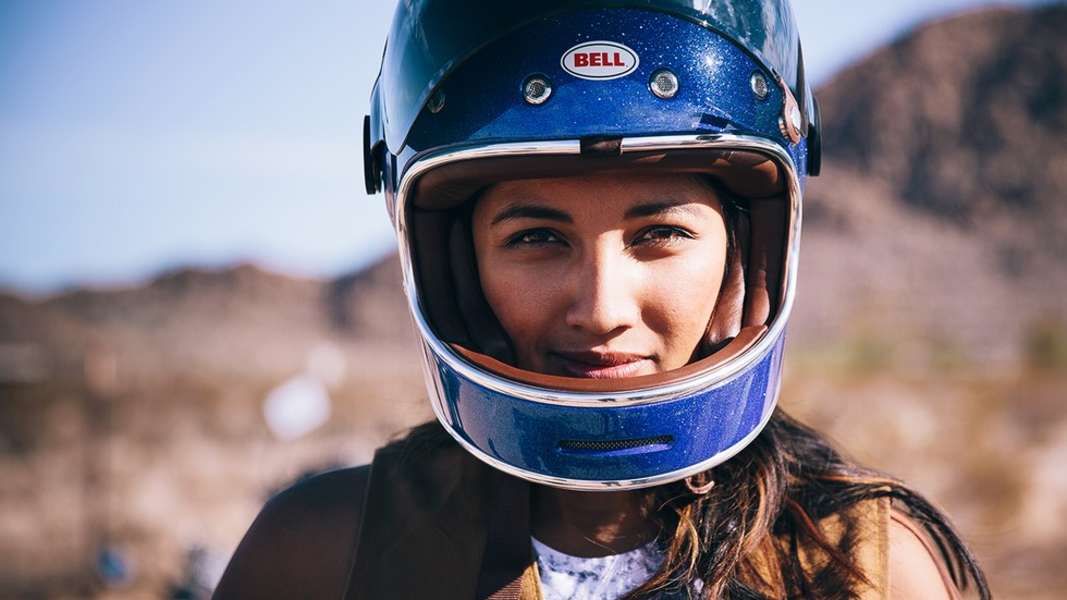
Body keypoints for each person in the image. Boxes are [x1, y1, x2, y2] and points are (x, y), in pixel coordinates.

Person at [214, 2, 990, 598]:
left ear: (746, 251)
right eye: (535, 239)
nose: (600, 306)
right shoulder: (323, 554)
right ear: (453, 257)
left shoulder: (864, 566)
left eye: (658, 234)